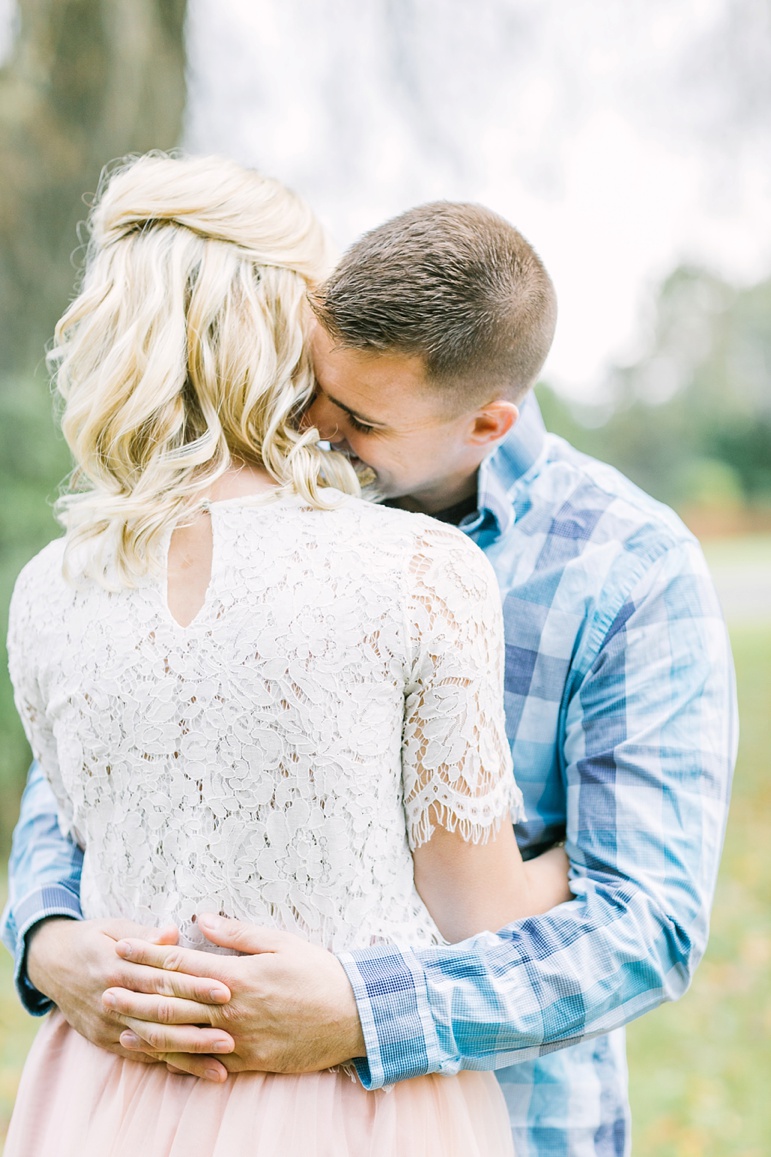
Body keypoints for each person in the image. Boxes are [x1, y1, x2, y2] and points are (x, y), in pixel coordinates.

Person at [3, 191, 737, 1156]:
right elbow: (77, 798)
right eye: (310, 382)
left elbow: (644, 928)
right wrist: (51, 943)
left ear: (485, 422)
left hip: (511, 1119)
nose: (307, 426)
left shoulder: (625, 569)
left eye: (355, 417)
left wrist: (360, 1014)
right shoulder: (162, 550)